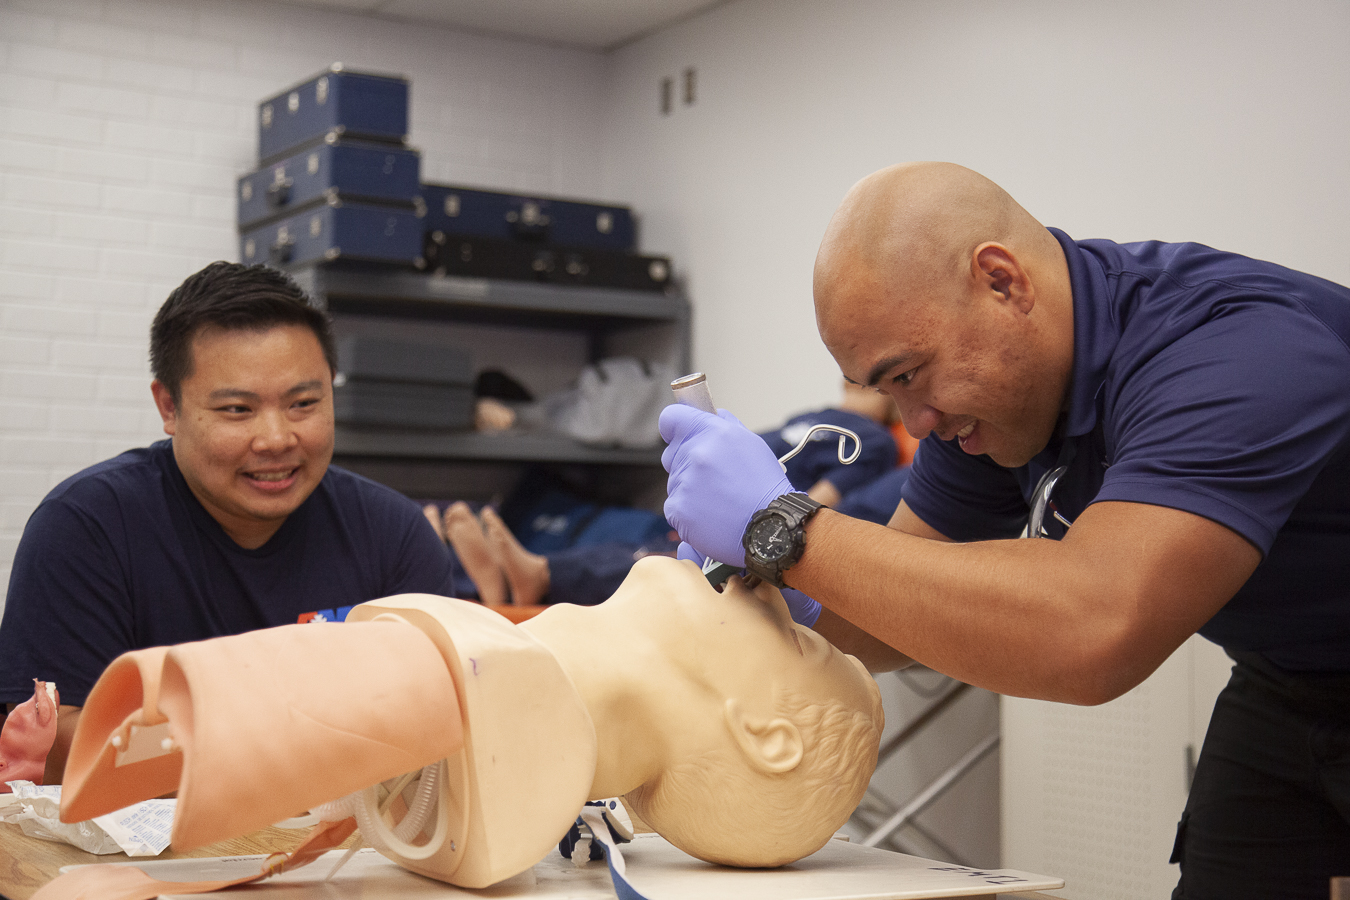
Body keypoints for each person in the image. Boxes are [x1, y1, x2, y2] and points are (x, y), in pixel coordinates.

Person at [658, 162, 1350, 899]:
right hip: (1289, 681)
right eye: (886, 390)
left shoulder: (1238, 350)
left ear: (1003, 282)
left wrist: (784, 528)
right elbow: (903, 603)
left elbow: (1094, 630)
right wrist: (793, 593)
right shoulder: (992, 408)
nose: (915, 423)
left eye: (909, 374)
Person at [51, 556, 883, 893]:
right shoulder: (503, 683)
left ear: (763, 736)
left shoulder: (513, 691)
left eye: (798, 643)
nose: (777, 595)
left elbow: (225, 719)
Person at [0, 262, 455, 785]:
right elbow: (55, 744)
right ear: (169, 407)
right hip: (147, 853)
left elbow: (437, 726)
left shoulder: (393, 534)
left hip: (345, 853)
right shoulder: (87, 528)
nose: (276, 439)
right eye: (238, 410)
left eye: (304, 404)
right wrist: (298, 734)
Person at [427, 383, 901, 607]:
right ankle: (472, 573)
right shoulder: (813, 413)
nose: (856, 377)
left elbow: (810, 510)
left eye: (875, 376)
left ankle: (530, 577)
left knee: (647, 563)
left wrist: (755, 526)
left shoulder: (871, 440)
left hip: (745, 536)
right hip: (696, 515)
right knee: (616, 544)